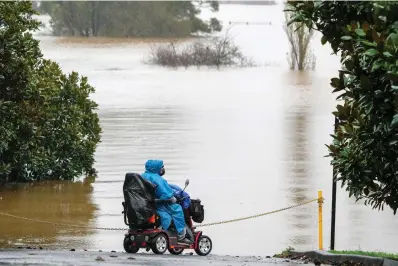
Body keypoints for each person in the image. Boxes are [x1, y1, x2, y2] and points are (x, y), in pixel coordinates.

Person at [141, 159, 189, 243]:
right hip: (158, 204)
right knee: (177, 209)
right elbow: (167, 194)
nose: (163, 169)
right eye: (162, 167)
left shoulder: (142, 176)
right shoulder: (158, 179)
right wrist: (173, 199)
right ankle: (181, 235)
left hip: (145, 203)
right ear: (157, 168)